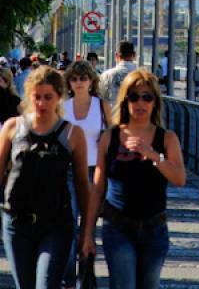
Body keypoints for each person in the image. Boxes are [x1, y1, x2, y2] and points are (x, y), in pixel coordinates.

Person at [81, 69, 186, 289]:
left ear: (155, 102)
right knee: (123, 284)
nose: (140, 103)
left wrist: (154, 156)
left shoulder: (166, 138)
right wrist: (88, 233)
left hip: (154, 227)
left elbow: (179, 178)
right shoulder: (110, 137)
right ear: (125, 100)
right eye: (134, 97)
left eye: (147, 97)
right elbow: (98, 187)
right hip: (117, 225)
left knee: (149, 284)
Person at [0, 66, 89, 289]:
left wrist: (86, 232)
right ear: (29, 97)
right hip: (16, 223)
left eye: (48, 97)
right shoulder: (13, 128)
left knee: (46, 284)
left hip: (56, 224)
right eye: (36, 97)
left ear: (59, 97)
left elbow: (81, 185)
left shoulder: (72, 134)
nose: (42, 104)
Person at [62, 60, 112, 289]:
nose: (79, 83)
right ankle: (69, 278)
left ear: (91, 81)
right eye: (74, 79)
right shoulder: (63, 107)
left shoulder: (101, 106)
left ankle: (86, 274)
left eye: (83, 78)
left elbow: (113, 136)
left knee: (88, 225)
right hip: (69, 170)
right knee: (69, 223)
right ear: (68, 83)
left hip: (94, 170)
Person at [100, 40, 137, 108]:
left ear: (117, 55)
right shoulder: (142, 76)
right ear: (134, 55)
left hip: (111, 116)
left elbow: (100, 100)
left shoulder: (106, 76)